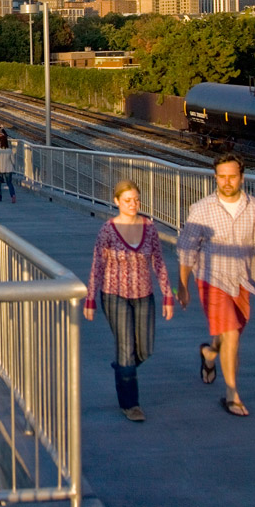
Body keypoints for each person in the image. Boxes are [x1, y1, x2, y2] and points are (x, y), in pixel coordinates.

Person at [177, 153, 255, 418]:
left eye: (232, 176)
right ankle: (232, 395)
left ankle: (209, 353)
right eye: (222, 176)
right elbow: (186, 249)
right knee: (231, 334)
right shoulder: (202, 209)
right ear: (215, 177)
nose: (227, 182)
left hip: (242, 280)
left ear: (241, 177)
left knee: (230, 334)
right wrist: (182, 284)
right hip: (211, 279)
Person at [84, 180, 175, 421]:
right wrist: (90, 298)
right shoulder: (107, 230)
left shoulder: (149, 227)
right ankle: (130, 404)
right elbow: (98, 264)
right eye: (127, 200)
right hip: (115, 295)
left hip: (144, 295)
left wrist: (168, 295)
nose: (133, 204)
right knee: (125, 348)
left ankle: (123, 369)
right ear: (116, 202)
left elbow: (158, 262)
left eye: (136, 200)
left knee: (145, 349)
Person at [0, 130, 16, 202]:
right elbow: (13, 161)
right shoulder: (10, 150)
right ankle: (13, 195)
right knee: (9, 183)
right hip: (8, 169)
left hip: (0, 169)